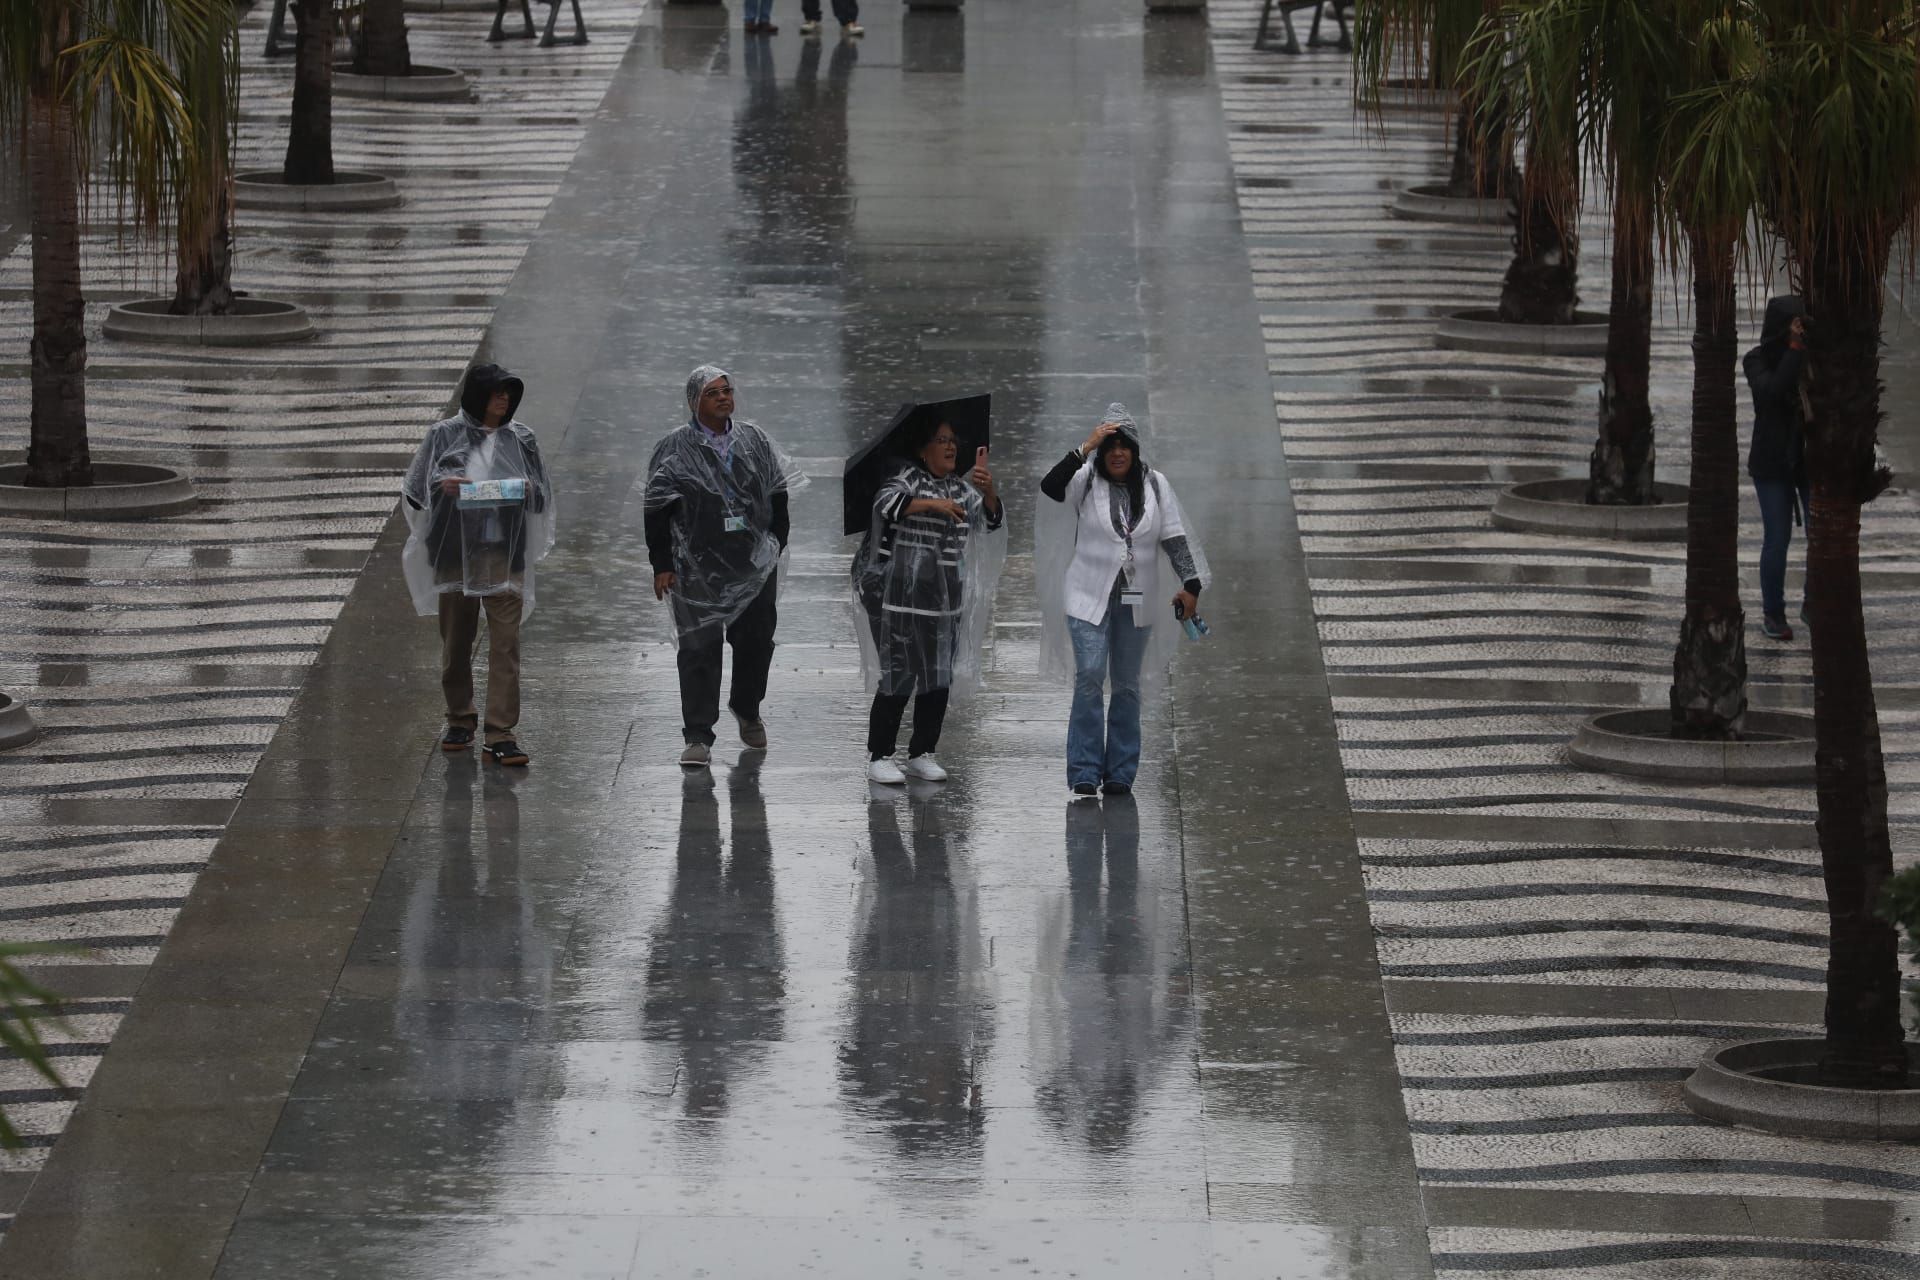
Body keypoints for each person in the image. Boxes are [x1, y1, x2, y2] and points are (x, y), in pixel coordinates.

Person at [1038, 404, 1208, 798]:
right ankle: (1083, 769)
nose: (1117, 453)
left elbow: (1175, 540)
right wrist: (1086, 446)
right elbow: (1050, 486)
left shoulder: (1155, 485)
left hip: (1137, 597)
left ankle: (1120, 772)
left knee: (1128, 685)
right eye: (1109, 446)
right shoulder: (1085, 479)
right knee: (1091, 675)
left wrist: (1191, 586)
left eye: (1124, 446)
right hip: (1086, 595)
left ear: (1134, 450)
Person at [644, 365, 803, 769]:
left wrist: (775, 543)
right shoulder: (673, 448)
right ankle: (698, 734)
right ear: (695, 401)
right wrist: (662, 563)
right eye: (713, 392)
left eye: (727, 390)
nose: (723, 398)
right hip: (694, 567)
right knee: (698, 648)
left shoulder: (754, 441)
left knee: (756, 642)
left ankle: (747, 707)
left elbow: (778, 493)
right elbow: (656, 509)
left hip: (752, 563)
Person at [400, 363, 557, 767]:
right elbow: (417, 491)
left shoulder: (522, 440)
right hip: (455, 554)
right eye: (495, 392)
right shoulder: (444, 435)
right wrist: (444, 488)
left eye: (508, 393)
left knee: (506, 644)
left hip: (505, 551)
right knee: (457, 641)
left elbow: (541, 495)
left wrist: (524, 489)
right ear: (477, 396)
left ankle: (501, 730)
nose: (503, 399)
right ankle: (459, 717)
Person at [851, 416, 1005, 785]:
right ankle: (880, 754)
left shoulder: (961, 488)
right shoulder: (906, 479)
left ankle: (922, 751)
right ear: (923, 449)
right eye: (941, 439)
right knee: (900, 674)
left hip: (945, 600)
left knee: (937, 676)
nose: (950, 447)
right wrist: (933, 506)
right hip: (902, 599)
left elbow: (990, 521)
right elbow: (887, 505)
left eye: (952, 440)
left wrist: (989, 493)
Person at [1745, 296, 1811, 641]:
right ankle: (1773, 613)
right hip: (1771, 461)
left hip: (1809, 459)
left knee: (1823, 533)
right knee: (1777, 538)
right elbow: (1771, 392)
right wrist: (1795, 350)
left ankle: (1816, 601)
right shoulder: (1756, 360)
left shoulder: (1813, 357)